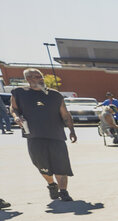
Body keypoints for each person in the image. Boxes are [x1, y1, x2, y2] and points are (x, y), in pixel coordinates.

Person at [9, 68, 77, 201]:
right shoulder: (19, 93)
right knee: (41, 165)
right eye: (35, 77)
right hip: (34, 136)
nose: (39, 79)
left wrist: (72, 130)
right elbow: (14, 108)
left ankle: (63, 192)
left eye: (40, 76)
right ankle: (52, 185)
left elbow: (65, 114)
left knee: (61, 165)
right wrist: (16, 117)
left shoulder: (54, 95)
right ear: (28, 79)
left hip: (56, 135)